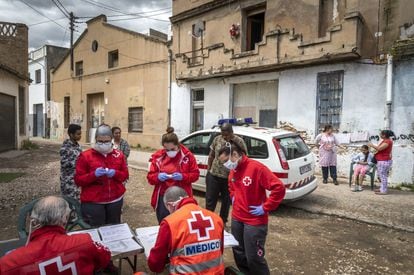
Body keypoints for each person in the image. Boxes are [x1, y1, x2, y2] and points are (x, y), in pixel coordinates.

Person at [218, 143, 286, 275]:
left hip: (254, 221)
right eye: (223, 163)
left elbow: (279, 187)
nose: (226, 165)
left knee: (254, 257)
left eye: (226, 161)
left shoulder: (256, 168)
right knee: (238, 252)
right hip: (237, 218)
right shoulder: (234, 169)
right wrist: (233, 196)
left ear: (235, 154)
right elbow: (231, 185)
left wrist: (266, 207)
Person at [0, 196, 111, 274]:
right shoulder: (84, 242)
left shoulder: (8, 263)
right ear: (65, 219)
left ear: (33, 220)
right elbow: (104, 258)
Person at [147, 186, 224, 274]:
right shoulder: (216, 218)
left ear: (170, 205)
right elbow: (219, 251)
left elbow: (155, 263)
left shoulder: (170, 222)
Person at [75, 124, 129, 226]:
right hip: (93, 202)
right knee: (95, 230)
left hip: (115, 200)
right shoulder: (85, 156)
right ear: (95, 139)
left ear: (111, 140)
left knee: (113, 229)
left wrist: (115, 173)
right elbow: (78, 180)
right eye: (100, 141)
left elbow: (125, 175)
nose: (103, 144)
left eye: (107, 141)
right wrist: (93, 175)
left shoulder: (118, 155)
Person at [147, 127, 200, 223]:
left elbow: (195, 175)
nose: (169, 152)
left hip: (182, 196)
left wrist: (183, 176)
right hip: (163, 197)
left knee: (181, 223)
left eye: (172, 149)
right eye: (166, 150)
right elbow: (150, 177)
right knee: (164, 222)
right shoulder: (158, 157)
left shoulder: (188, 156)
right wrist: (157, 177)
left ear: (178, 145)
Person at [206, 123, 247, 225]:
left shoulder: (239, 141)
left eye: (226, 134)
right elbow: (211, 155)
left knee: (226, 201)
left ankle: (222, 221)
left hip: (229, 177)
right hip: (214, 175)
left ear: (231, 132)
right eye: (222, 134)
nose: (224, 137)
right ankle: (208, 220)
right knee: (210, 199)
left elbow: (244, 157)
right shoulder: (217, 139)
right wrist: (208, 169)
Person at [59, 124, 82, 200]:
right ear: (71, 134)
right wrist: (78, 162)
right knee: (69, 202)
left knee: (77, 202)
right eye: (78, 134)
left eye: (80, 134)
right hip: (68, 181)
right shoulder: (65, 148)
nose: (80, 136)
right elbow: (64, 163)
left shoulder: (78, 146)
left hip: (77, 179)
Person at [368, 130, 394, 195]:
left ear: (384, 135)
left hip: (384, 160)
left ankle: (384, 191)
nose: (380, 135)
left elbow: (379, 149)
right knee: (382, 175)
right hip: (382, 160)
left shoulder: (387, 141)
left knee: (383, 176)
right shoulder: (385, 141)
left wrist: (372, 145)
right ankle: (382, 189)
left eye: (381, 134)